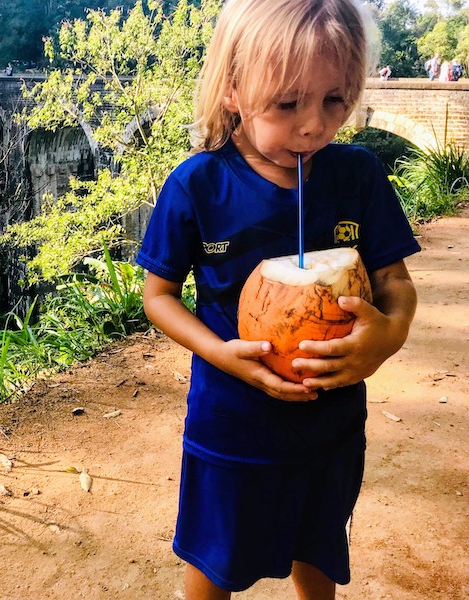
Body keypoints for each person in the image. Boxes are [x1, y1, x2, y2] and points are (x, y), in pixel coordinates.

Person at [135, 1, 420, 599]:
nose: (314, 125)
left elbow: (394, 283)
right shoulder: (198, 185)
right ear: (234, 89)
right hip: (232, 428)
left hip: (333, 427)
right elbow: (158, 296)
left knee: (318, 550)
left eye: (335, 100)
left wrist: (386, 340)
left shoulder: (357, 176)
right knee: (216, 564)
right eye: (288, 104)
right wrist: (221, 353)